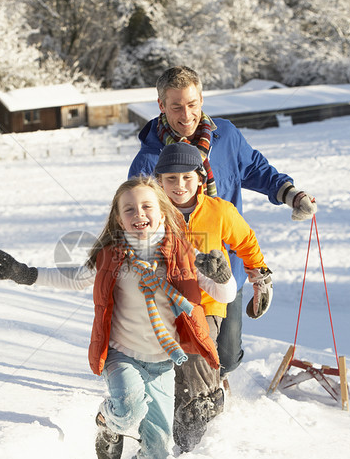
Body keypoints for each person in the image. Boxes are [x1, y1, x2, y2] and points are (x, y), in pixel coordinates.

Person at [0, 176, 236, 459]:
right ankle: (109, 421)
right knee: (129, 408)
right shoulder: (110, 256)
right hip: (122, 355)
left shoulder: (186, 253)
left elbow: (225, 296)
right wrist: (27, 274)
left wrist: (223, 276)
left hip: (162, 363)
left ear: (162, 210)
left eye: (147, 206)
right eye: (129, 209)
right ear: (119, 218)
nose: (139, 214)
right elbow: (75, 278)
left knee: (157, 451)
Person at [129, 65, 318, 379]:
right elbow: (135, 218)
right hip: (175, 273)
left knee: (226, 357)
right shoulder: (149, 161)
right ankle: (190, 401)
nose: (186, 114)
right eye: (176, 106)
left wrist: (291, 194)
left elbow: (257, 170)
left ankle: (217, 378)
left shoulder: (226, 136)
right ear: (161, 106)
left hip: (225, 268)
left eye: (192, 104)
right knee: (181, 351)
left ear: (202, 99)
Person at [153, 141, 271, 452]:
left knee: (195, 346)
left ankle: (205, 410)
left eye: (187, 178)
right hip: (166, 302)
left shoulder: (220, 212)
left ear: (200, 179)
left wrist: (260, 274)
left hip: (208, 301)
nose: (180, 186)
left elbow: (246, 241)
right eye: (171, 179)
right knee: (175, 369)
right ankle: (179, 437)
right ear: (159, 181)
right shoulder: (154, 214)